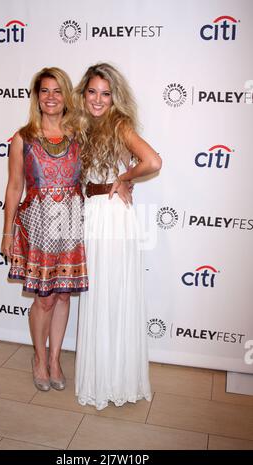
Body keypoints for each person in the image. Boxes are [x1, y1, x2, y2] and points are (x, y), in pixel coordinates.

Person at [73, 63, 162, 410]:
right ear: (83, 94)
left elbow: (152, 161)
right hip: (94, 214)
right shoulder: (79, 127)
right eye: (92, 92)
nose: (98, 99)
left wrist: (124, 177)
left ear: (115, 98)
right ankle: (106, 377)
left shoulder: (119, 125)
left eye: (105, 94)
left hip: (110, 215)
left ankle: (114, 380)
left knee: (112, 294)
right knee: (103, 296)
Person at [1, 67, 88, 392]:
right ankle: (39, 358)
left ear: (66, 96)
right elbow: (13, 188)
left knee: (63, 295)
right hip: (37, 226)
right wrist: (8, 232)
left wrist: (125, 183)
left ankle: (55, 360)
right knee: (45, 300)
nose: (51, 97)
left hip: (71, 224)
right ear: (36, 96)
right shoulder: (23, 138)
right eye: (44, 91)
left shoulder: (80, 135)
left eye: (57, 91)